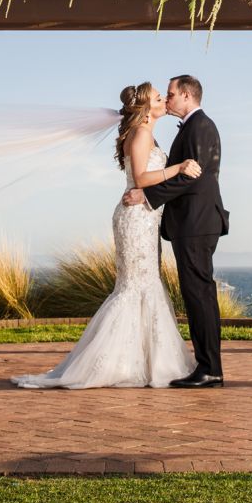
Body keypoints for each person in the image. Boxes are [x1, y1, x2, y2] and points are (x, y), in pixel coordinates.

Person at [11, 82, 199, 389]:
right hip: (136, 219)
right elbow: (140, 178)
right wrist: (177, 168)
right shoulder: (141, 133)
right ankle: (119, 363)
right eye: (157, 97)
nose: (164, 100)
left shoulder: (144, 133)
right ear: (145, 108)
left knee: (144, 284)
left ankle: (142, 361)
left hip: (145, 218)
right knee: (134, 286)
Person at [122, 75, 229, 388]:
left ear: (185, 95)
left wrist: (147, 195)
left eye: (169, 95)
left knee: (200, 295)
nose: (166, 100)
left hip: (196, 224)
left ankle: (209, 369)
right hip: (191, 224)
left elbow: (192, 177)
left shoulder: (201, 126)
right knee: (197, 295)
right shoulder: (193, 127)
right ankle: (207, 366)